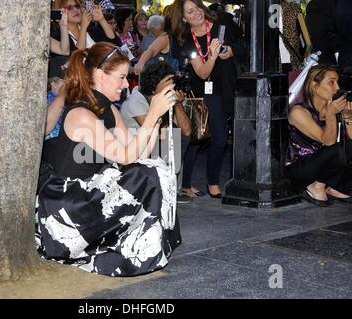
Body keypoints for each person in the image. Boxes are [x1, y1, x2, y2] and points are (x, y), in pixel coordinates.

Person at [36, 42, 181, 276]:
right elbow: (125, 156)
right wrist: (152, 113)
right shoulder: (81, 114)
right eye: (122, 78)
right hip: (69, 204)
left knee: (153, 167)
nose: (126, 85)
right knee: (148, 173)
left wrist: (157, 118)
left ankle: (139, 249)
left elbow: (141, 153)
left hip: (91, 192)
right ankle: (127, 251)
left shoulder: (109, 109)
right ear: (99, 74)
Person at [171, 0, 246, 198]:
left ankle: (188, 183)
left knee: (203, 137)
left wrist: (232, 51)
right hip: (204, 90)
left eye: (197, 8)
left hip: (229, 85)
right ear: (184, 18)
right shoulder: (187, 39)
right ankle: (210, 182)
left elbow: (245, 44)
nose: (197, 13)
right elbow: (202, 73)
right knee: (209, 136)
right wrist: (212, 56)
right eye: (190, 12)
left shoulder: (222, 22)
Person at [121, 61, 193, 203]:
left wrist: (177, 104)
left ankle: (169, 187)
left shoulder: (169, 96)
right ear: (154, 85)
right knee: (170, 138)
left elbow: (187, 130)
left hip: (153, 148)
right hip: (134, 150)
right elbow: (157, 133)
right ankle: (160, 187)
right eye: (167, 81)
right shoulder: (135, 101)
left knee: (181, 137)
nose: (171, 86)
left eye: (172, 81)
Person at [285, 64, 352, 206]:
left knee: (346, 147)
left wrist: (347, 116)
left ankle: (334, 187)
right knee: (336, 149)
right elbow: (328, 142)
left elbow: (350, 141)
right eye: (331, 82)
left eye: (337, 82)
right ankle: (317, 185)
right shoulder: (299, 112)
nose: (337, 88)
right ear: (314, 86)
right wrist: (331, 114)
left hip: (325, 164)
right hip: (300, 167)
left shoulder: (334, 108)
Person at [51, 0, 119, 57]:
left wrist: (101, 19)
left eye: (77, 6)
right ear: (60, 12)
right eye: (69, 8)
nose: (75, 10)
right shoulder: (59, 36)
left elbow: (115, 43)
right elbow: (77, 57)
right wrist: (83, 28)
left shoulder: (90, 29)